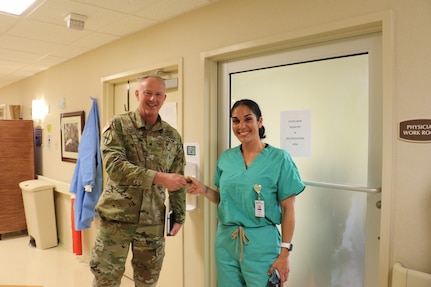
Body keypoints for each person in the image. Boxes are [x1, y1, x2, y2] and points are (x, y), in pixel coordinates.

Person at [186, 99, 305, 287]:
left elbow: (288, 209)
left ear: (259, 121)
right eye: (235, 121)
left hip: (261, 244)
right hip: (226, 242)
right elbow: (224, 200)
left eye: (247, 119)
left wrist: (285, 253)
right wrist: (203, 189)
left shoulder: (280, 159)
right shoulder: (226, 158)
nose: (241, 126)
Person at [90, 75, 188, 287]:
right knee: (105, 280)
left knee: (147, 282)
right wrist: (159, 178)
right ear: (137, 94)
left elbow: (178, 179)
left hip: (152, 224)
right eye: (147, 93)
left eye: (158, 94)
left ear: (164, 98)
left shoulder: (172, 137)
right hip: (116, 221)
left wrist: (179, 216)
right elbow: (114, 167)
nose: (153, 99)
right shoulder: (119, 125)